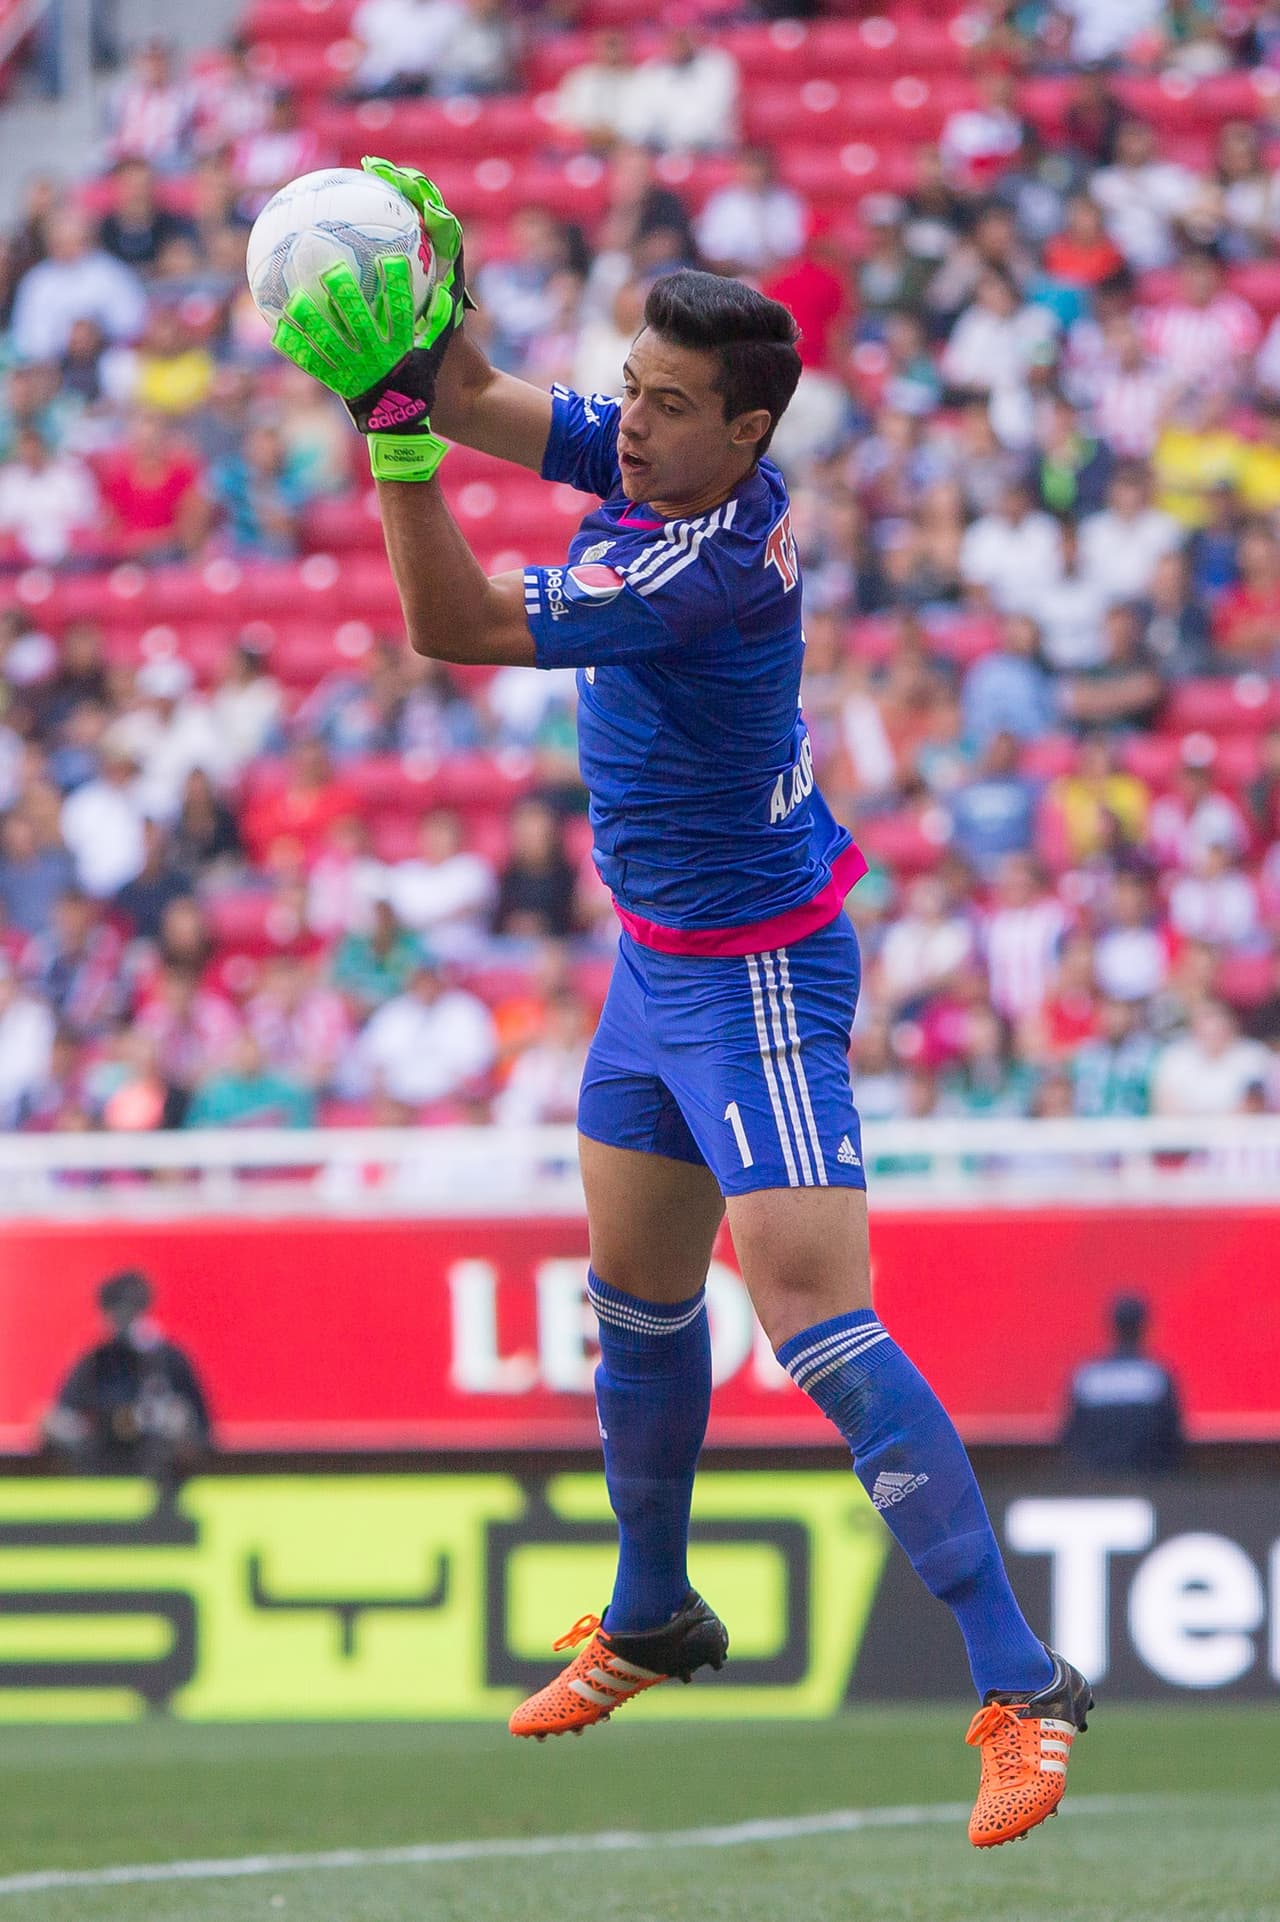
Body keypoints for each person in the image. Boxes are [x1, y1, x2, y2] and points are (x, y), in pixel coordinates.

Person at [271, 158, 1094, 1847]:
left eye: (664, 407)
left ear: (751, 430)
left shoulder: (708, 564)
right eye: (630, 390)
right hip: (658, 961)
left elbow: (453, 619)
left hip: (762, 979)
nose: (628, 424)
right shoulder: (661, 458)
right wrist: (431, 319)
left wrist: (394, 436)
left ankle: (1024, 1678)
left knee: (809, 1315)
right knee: (637, 1292)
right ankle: (654, 1607)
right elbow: (496, 394)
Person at [42, 1269, 212, 1479]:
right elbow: (66, 1411)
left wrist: (142, 1420)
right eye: (115, 1311)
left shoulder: (167, 1357)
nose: (122, 1319)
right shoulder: (97, 1359)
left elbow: (199, 1419)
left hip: (156, 1451)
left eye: (129, 1310)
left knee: (177, 1419)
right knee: (51, 1422)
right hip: (102, 1445)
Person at [1061, 1295, 1185, 1476]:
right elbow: (1174, 1435)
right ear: (1143, 1326)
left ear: (1112, 1325)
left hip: (1095, 1485)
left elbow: (1070, 1435)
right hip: (1149, 1483)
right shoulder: (1157, 1376)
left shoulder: (1088, 1376)